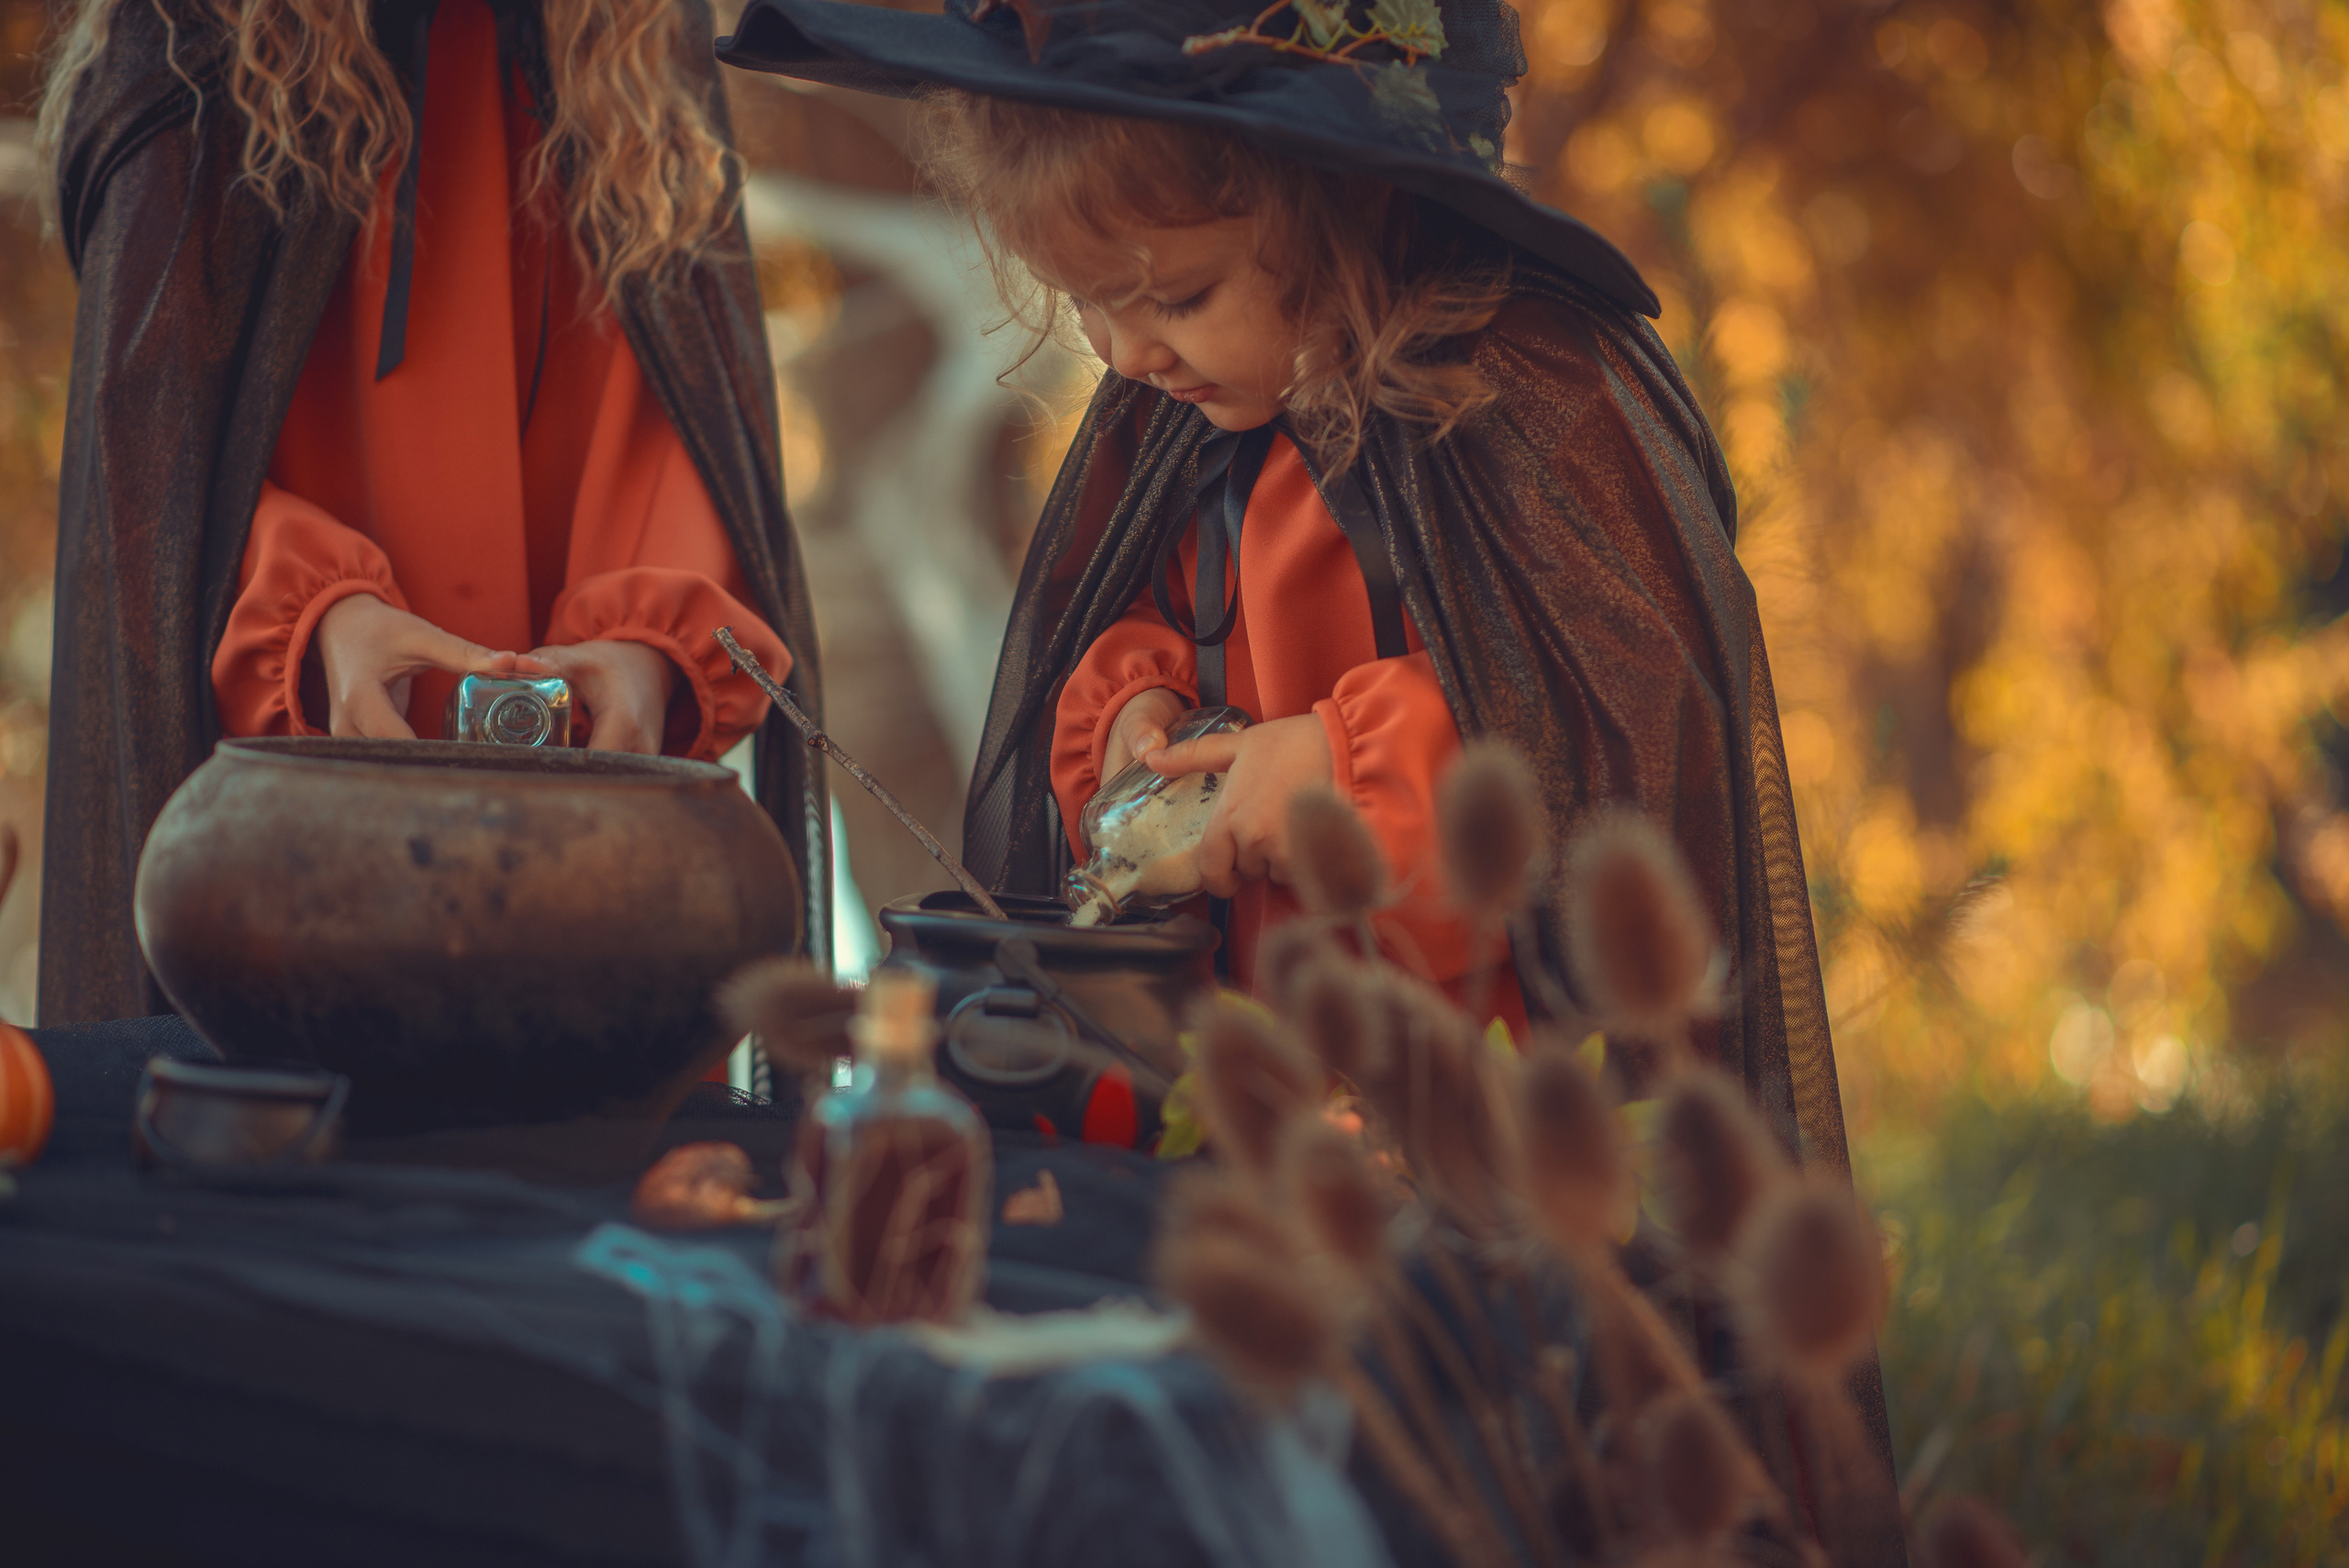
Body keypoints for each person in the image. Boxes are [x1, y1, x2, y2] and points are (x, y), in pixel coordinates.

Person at [719, 0, 1899, 1552]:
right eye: (1090, 306)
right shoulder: (1189, 416)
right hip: (1248, 1095)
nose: (1129, 351)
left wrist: (1339, 768)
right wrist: (1134, 709)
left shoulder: (1535, 394)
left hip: (1488, 1102)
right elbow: (1133, 619)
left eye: (1178, 295)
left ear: (1331, 207)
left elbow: (1609, 728)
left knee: (1464, 1456)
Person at [36, 0, 829, 1024]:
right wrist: (313, 619)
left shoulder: (629, 53)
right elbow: (152, 461)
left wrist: (641, 653)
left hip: (587, 856)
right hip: (282, 823)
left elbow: (675, 420)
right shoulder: (194, 40)